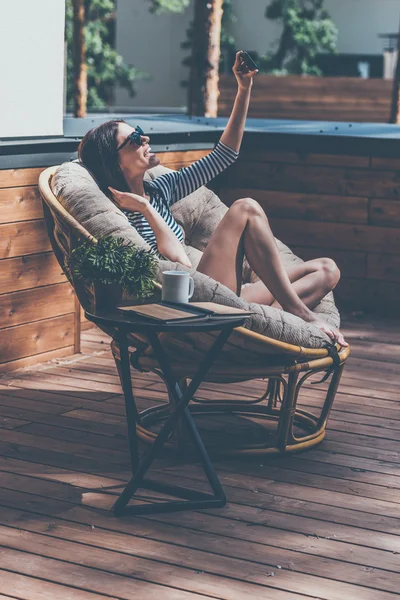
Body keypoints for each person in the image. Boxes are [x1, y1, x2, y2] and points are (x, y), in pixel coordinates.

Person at [78, 51, 347, 347]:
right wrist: (145, 209)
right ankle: (299, 314)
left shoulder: (161, 189)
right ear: (116, 164)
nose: (145, 139)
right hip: (193, 297)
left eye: (141, 133)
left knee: (326, 270)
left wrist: (244, 89)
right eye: (134, 139)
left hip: (221, 291)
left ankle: (257, 328)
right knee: (245, 208)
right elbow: (177, 262)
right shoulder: (121, 213)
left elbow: (225, 155)